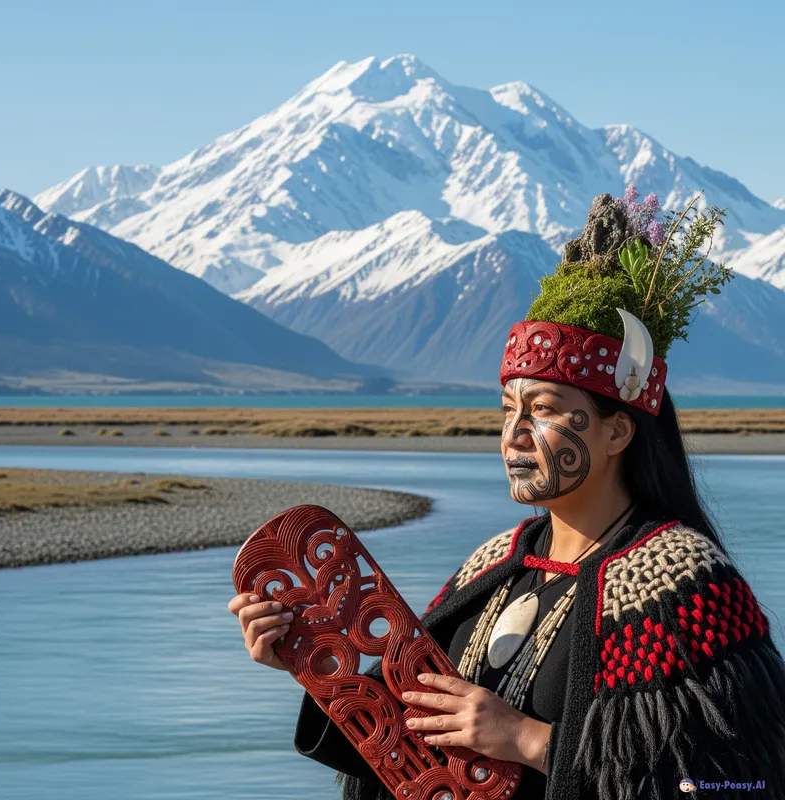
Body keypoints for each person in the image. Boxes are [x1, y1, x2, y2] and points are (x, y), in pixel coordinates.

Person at [227, 189, 785, 800]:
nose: (515, 433)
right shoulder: (491, 565)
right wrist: (317, 668)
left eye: (543, 409)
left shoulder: (683, 583)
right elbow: (411, 753)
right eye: (506, 409)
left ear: (618, 430)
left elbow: (742, 782)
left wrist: (528, 740)